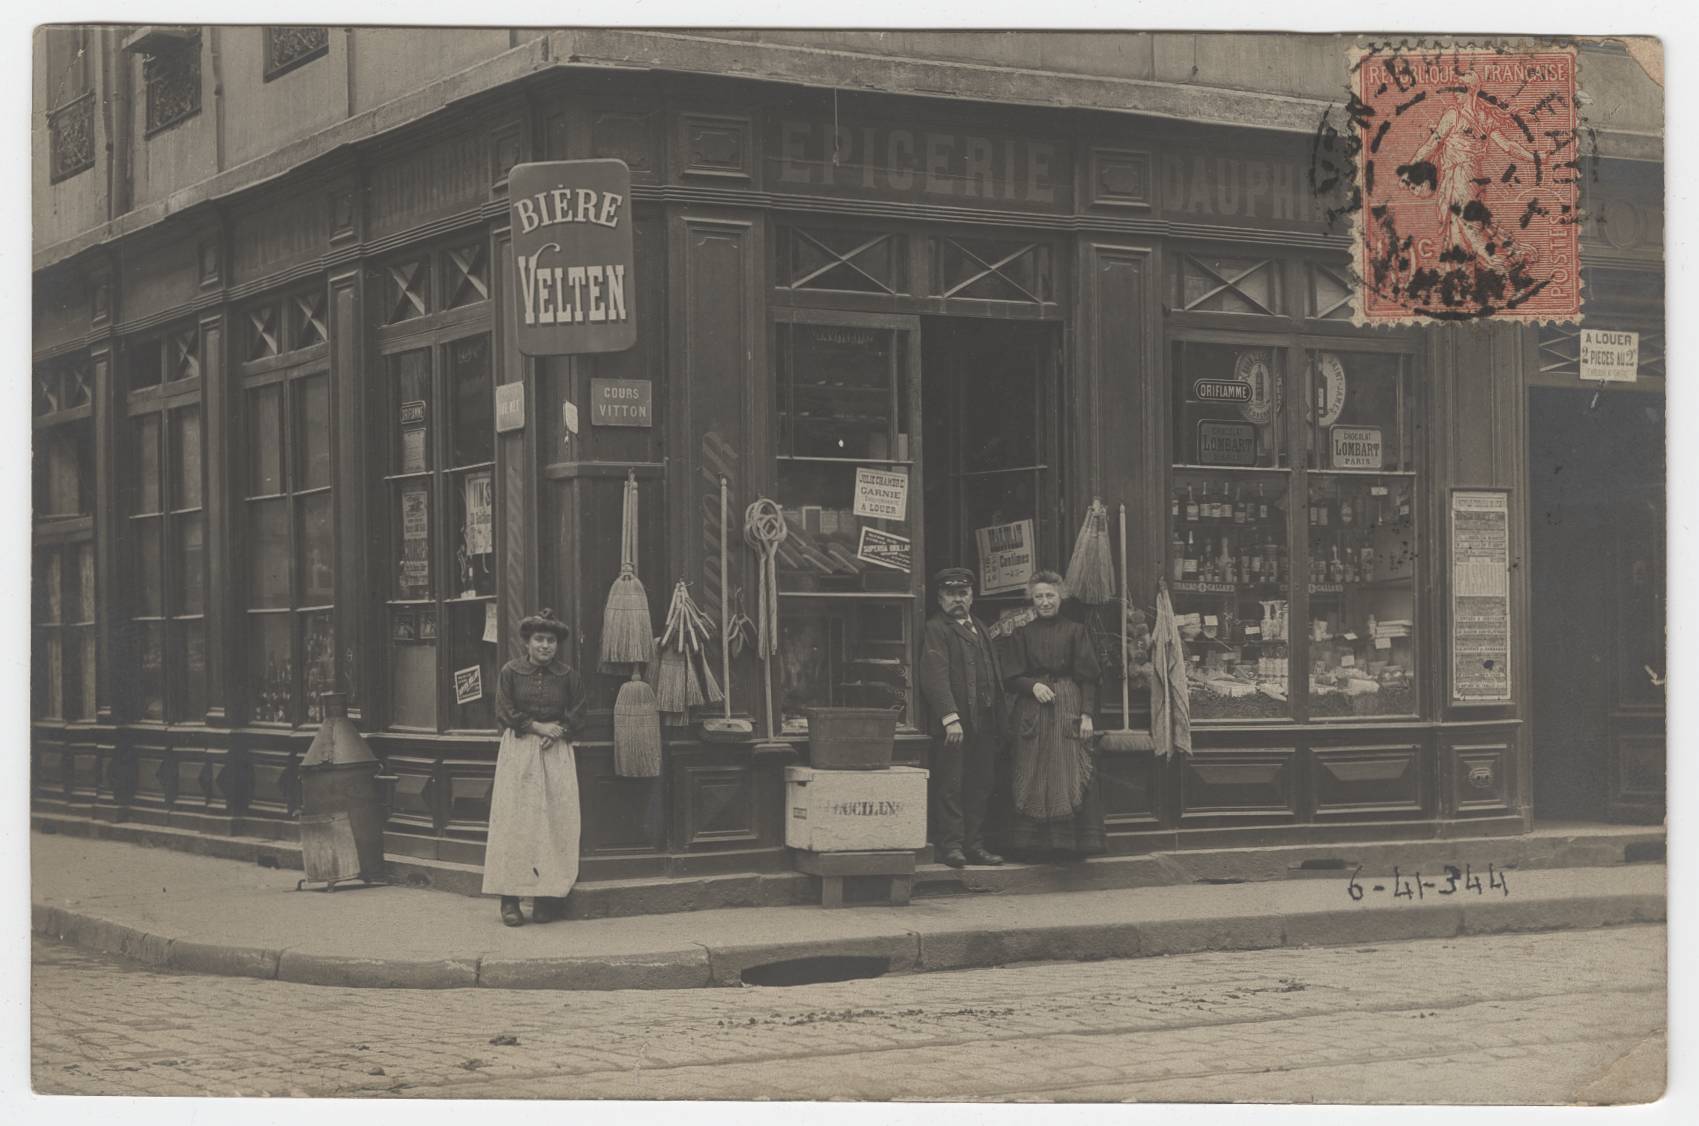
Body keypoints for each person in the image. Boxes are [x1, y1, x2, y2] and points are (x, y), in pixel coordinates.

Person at [483, 608, 586, 926]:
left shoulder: (568, 676)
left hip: (556, 753)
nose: (545, 646)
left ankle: (546, 897)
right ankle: (510, 900)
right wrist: (538, 728)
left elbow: (579, 711)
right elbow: (504, 710)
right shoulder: (510, 672)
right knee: (516, 823)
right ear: (527, 643)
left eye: (551, 641)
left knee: (553, 823)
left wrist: (561, 731)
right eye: (539, 640)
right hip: (520, 751)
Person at [1000, 571, 1105, 860]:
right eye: (1039, 596)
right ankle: (1029, 846)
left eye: (1050, 596)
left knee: (1065, 768)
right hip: (1032, 709)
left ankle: (1066, 845)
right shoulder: (1021, 634)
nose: (1045, 602)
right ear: (1031, 599)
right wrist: (1031, 685)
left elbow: (1088, 677)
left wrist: (1086, 715)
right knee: (1030, 769)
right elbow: (1009, 676)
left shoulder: (1076, 631)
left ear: (1061, 597)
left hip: (1067, 705)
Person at [917, 567, 1007, 868]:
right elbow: (934, 674)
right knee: (951, 785)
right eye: (951, 594)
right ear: (940, 598)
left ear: (971, 596)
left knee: (979, 784)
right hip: (955, 723)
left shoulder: (979, 627)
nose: (958, 600)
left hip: (983, 721)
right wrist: (949, 716)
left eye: (963, 593)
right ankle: (951, 846)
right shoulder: (936, 628)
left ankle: (974, 845)